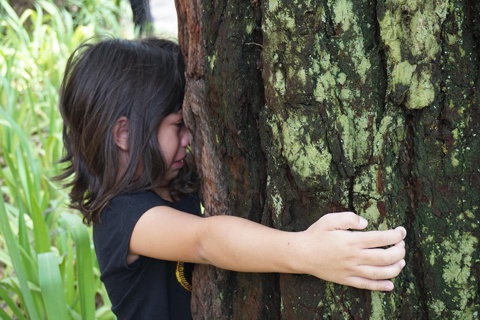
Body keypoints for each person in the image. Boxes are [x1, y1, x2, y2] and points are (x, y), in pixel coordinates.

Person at [57, 37, 407, 319]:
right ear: (125, 133)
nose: (188, 139)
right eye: (177, 126)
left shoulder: (170, 179)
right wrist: (307, 252)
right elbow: (204, 241)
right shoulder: (121, 219)